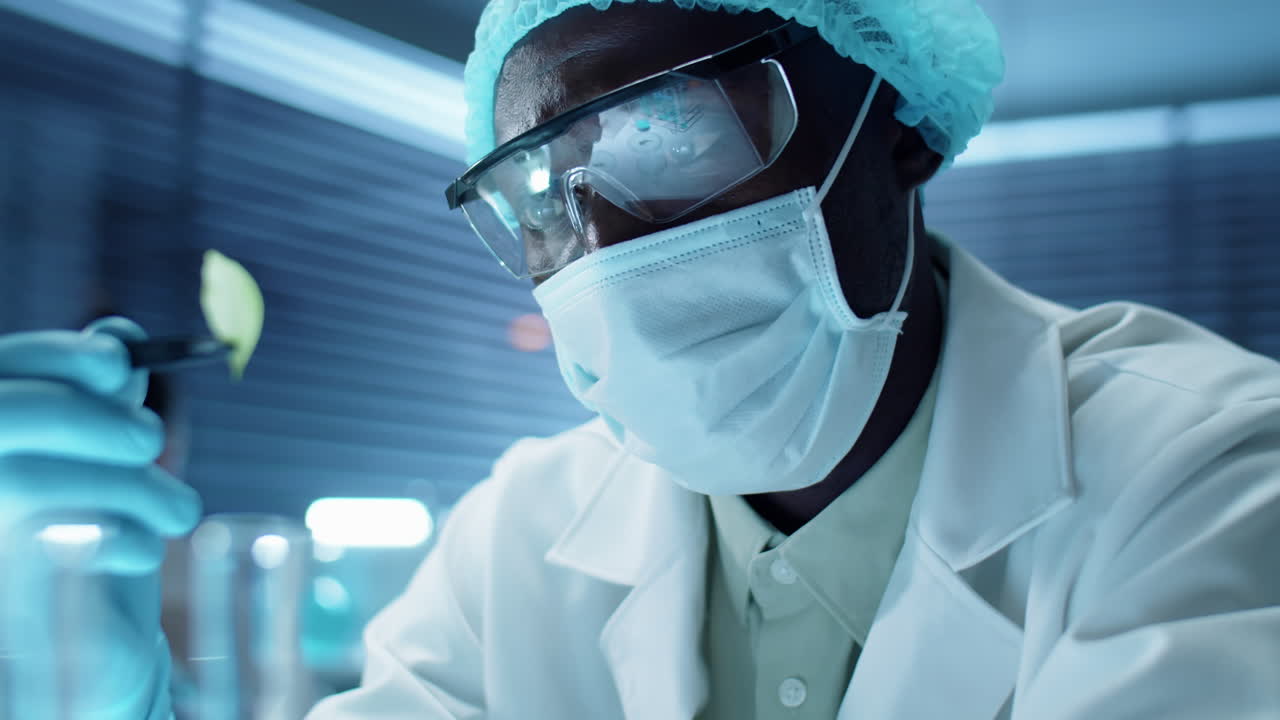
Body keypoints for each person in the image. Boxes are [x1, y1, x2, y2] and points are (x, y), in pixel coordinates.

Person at [1, 1, 1277, 718]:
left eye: (671, 134)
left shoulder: (1203, 469)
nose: (599, 241)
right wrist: (113, 690)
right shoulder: (522, 532)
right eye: (538, 191)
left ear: (895, 135)